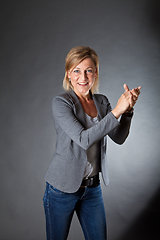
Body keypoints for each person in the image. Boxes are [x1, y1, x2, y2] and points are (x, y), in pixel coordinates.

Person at [43, 46, 141, 240]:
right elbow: (83, 139)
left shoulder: (102, 101)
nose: (83, 77)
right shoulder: (61, 103)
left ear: (95, 74)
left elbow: (118, 138)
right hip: (62, 189)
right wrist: (117, 112)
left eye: (88, 70)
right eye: (76, 70)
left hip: (92, 188)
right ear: (68, 74)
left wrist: (128, 111)